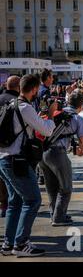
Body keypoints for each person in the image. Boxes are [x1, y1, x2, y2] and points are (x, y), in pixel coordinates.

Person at [0, 74, 57, 257]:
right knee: (33, 200)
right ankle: (21, 243)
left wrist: (37, 119)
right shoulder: (25, 107)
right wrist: (50, 114)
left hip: (4, 159)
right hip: (17, 162)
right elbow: (47, 130)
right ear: (33, 89)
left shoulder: (12, 105)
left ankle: (8, 244)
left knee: (15, 202)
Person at [39, 90, 83, 227]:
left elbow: (62, 136)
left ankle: (55, 214)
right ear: (81, 105)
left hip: (42, 153)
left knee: (51, 187)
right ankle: (59, 218)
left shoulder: (58, 113)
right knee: (66, 187)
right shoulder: (77, 119)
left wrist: (74, 150)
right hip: (57, 154)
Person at [0, 76, 21, 218]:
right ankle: (9, 206)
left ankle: (4, 206)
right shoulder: (17, 102)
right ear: (19, 86)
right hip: (11, 146)